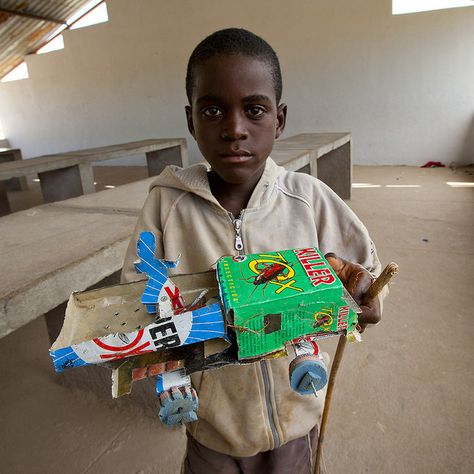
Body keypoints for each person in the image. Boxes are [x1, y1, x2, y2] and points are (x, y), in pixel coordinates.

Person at [121, 28, 382, 474]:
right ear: (191, 121)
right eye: (213, 110)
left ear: (279, 120)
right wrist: (167, 358)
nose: (234, 129)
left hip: (295, 413)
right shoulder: (166, 206)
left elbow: (368, 276)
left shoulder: (310, 199)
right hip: (213, 425)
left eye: (254, 110)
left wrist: (365, 296)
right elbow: (137, 299)